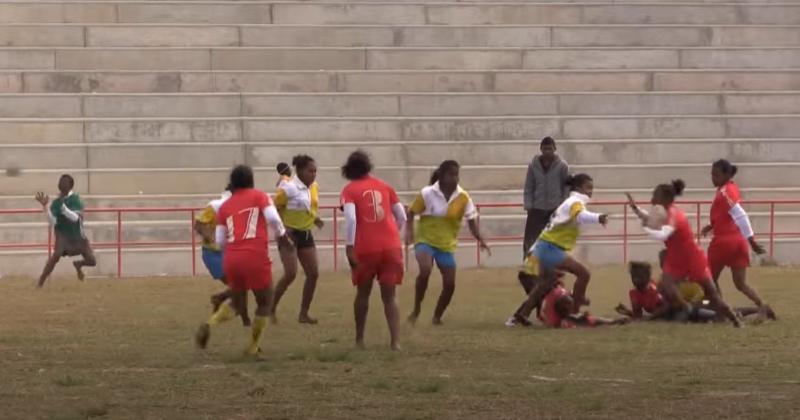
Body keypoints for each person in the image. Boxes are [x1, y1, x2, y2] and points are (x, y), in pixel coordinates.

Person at [195, 165, 292, 356]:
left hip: (232, 257)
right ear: (251, 180)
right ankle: (253, 347)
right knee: (265, 302)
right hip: (255, 255)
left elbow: (221, 240)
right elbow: (273, 218)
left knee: (238, 303)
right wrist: (283, 235)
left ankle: (210, 323)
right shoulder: (260, 196)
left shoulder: (225, 207)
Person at [627, 180, 742, 327]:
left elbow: (663, 234)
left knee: (712, 295)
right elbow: (650, 219)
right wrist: (636, 209)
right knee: (667, 284)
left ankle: (734, 319)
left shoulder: (675, 214)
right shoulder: (665, 212)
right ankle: (687, 308)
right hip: (676, 258)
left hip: (693, 257)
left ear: (666, 199)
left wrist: (647, 230)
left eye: (655, 196)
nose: (652, 200)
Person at [509, 174, 609, 326]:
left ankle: (520, 315)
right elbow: (581, 216)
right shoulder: (576, 202)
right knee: (583, 274)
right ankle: (575, 312)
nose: (591, 191)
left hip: (543, 247)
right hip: (549, 247)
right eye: (588, 187)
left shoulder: (569, 202)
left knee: (545, 284)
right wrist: (598, 217)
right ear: (578, 188)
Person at [406, 160, 490, 325]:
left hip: (446, 245)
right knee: (425, 270)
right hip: (425, 240)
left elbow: (472, 222)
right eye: (451, 174)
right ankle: (416, 309)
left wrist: (481, 240)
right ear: (442, 176)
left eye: (457, 174)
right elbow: (411, 212)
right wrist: (408, 232)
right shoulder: (428, 193)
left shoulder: (463, 197)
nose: (455, 178)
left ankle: (437, 316)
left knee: (450, 284)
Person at [340, 150, 407, 351]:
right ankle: (395, 342)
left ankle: (360, 340)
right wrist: (394, 234)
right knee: (390, 296)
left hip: (366, 248)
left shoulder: (349, 190)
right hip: (391, 246)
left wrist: (349, 246)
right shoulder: (385, 186)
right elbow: (401, 215)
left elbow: (351, 218)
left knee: (363, 293)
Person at [702, 159, 773, 318]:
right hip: (737, 242)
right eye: (712, 174)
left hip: (723, 243)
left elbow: (740, 214)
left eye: (716, 174)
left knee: (709, 281)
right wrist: (711, 225)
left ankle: (721, 311)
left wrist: (752, 240)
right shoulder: (730, 188)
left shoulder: (725, 192)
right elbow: (727, 215)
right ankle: (763, 306)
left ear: (727, 174)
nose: (713, 178)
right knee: (740, 283)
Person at [271, 155, 324, 325]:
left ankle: (304, 314)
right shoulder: (289, 188)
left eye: (315, 171)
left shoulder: (314, 187)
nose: (314, 174)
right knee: (290, 274)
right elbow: (273, 207)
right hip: (289, 236)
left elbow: (308, 206)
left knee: (313, 274)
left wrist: (315, 219)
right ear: (299, 171)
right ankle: (269, 309)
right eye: (310, 171)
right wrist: (282, 229)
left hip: (306, 234)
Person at [194, 186, 251, 326]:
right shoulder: (215, 206)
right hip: (213, 254)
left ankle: (243, 317)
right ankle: (224, 302)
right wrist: (210, 238)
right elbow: (198, 225)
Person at [34, 174, 96, 288]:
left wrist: (64, 209)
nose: (61, 184)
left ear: (70, 185)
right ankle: (41, 281)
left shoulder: (75, 199)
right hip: (63, 235)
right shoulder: (56, 202)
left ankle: (78, 264)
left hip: (77, 236)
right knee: (56, 255)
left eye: (64, 182)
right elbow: (52, 222)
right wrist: (45, 207)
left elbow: (76, 218)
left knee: (92, 261)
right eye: (60, 181)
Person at [523, 136, 570, 259]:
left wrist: (563, 205)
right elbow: (529, 186)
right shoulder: (533, 165)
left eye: (550, 149)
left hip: (554, 209)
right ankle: (528, 270)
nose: (547, 151)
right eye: (545, 149)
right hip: (536, 209)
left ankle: (555, 270)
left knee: (555, 241)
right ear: (541, 149)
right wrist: (528, 205)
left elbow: (566, 187)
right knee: (531, 240)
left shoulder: (562, 166)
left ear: (555, 149)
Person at [541, 282, 628, 328]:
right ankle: (612, 322)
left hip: (568, 316)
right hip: (566, 319)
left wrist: (582, 301)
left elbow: (583, 300)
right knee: (587, 320)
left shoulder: (559, 292)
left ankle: (612, 322)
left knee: (590, 319)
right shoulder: (553, 301)